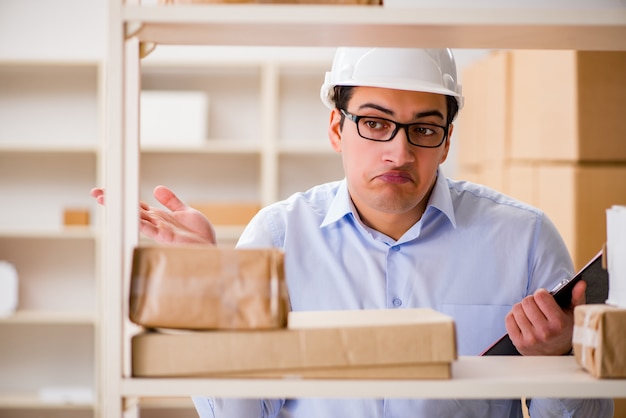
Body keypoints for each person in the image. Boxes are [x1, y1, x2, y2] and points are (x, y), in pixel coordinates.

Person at [91, 47, 614, 418]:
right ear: (337, 128)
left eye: (424, 129)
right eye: (375, 122)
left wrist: (559, 361)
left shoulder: (523, 240)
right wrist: (209, 291)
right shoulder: (276, 237)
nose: (400, 151)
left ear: (447, 140)